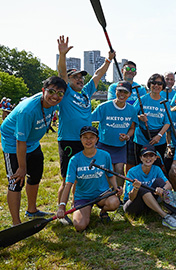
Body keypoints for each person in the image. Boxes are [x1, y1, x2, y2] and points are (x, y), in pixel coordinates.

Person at [56, 35, 114, 225]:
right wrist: (62, 55)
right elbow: (62, 73)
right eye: (76, 77)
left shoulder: (87, 93)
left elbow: (97, 75)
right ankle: (62, 210)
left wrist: (108, 61)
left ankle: (81, 203)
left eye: (81, 77)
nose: (80, 80)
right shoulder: (66, 91)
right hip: (69, 139)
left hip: (86, 140)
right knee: (67, 178)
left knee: (82, 174)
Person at [1, 76, 67, 226]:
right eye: (51, 91)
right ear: (43, 90)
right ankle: (16, 223)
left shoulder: (55, 102)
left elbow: (63, 78)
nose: (55, 96)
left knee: (35, 175)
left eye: (60, 93)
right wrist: (22, 167)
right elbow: (20, 141)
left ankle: (32, 210)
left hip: (33, 142)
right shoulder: (27, 110)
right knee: (16, 181)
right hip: (14, 142)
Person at [56, 126, 123, 232]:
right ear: (81, 139)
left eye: (92, 137)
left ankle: (103, 212)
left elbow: (110, 175)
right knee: (79, 226)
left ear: (97, 139)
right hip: (83, 197)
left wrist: (116, 188)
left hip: (102, 194)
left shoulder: (105, 155)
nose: (88, 140)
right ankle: (83, 210)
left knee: (114, 202)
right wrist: (62, 206)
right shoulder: (74, 160)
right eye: (85, 137)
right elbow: (68, 184)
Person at [123, 145, 176, 230]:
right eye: (145, 155)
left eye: (151, 155)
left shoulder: (156, 169)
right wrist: (136, 188)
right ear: (141, 158)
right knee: (142, 188)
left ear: (155, 158)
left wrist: (162, 190)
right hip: (132, 207)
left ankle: (173, 211)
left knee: (160, 182)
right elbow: (131, 197)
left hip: (148, 204)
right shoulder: (132, 172)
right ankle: (165, 216)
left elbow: (169, 185)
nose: (148, 158)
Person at [92, 81, 138, 187]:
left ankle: (118, 193)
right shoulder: (104, 107)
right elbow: (89, 120)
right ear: (115, 91)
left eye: (125, 92)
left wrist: (127, 136)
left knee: (119, 169)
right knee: (108, 170)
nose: (122, 94)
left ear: (130, 94)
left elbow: (132, 128)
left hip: (120, 146)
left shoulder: (132, 110)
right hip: (104, 144)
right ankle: (109, 193)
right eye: (119, 91)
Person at [107, 60, 145, 176]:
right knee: (116, 164)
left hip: (135, 130)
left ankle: (129, 185)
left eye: (133, 69)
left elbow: (142, 108)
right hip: (118, 128)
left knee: (131, 161)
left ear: (136, 73)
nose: (130, 71)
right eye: (127, 69)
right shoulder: (114, 87)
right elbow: (113, 106)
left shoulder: (140, 89)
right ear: (122, 71)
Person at [133, 74, 170, 169]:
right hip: (141, 139)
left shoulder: (165, 102)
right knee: (140, 166)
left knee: (158, 166)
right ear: (149, 84)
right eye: (154, 83)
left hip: (159, 140)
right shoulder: (142, 100)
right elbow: (131, 115)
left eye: (159, 83)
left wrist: (159, 135)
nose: (156, 86)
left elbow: (168, 122)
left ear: (163, 86)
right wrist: (139, 117)